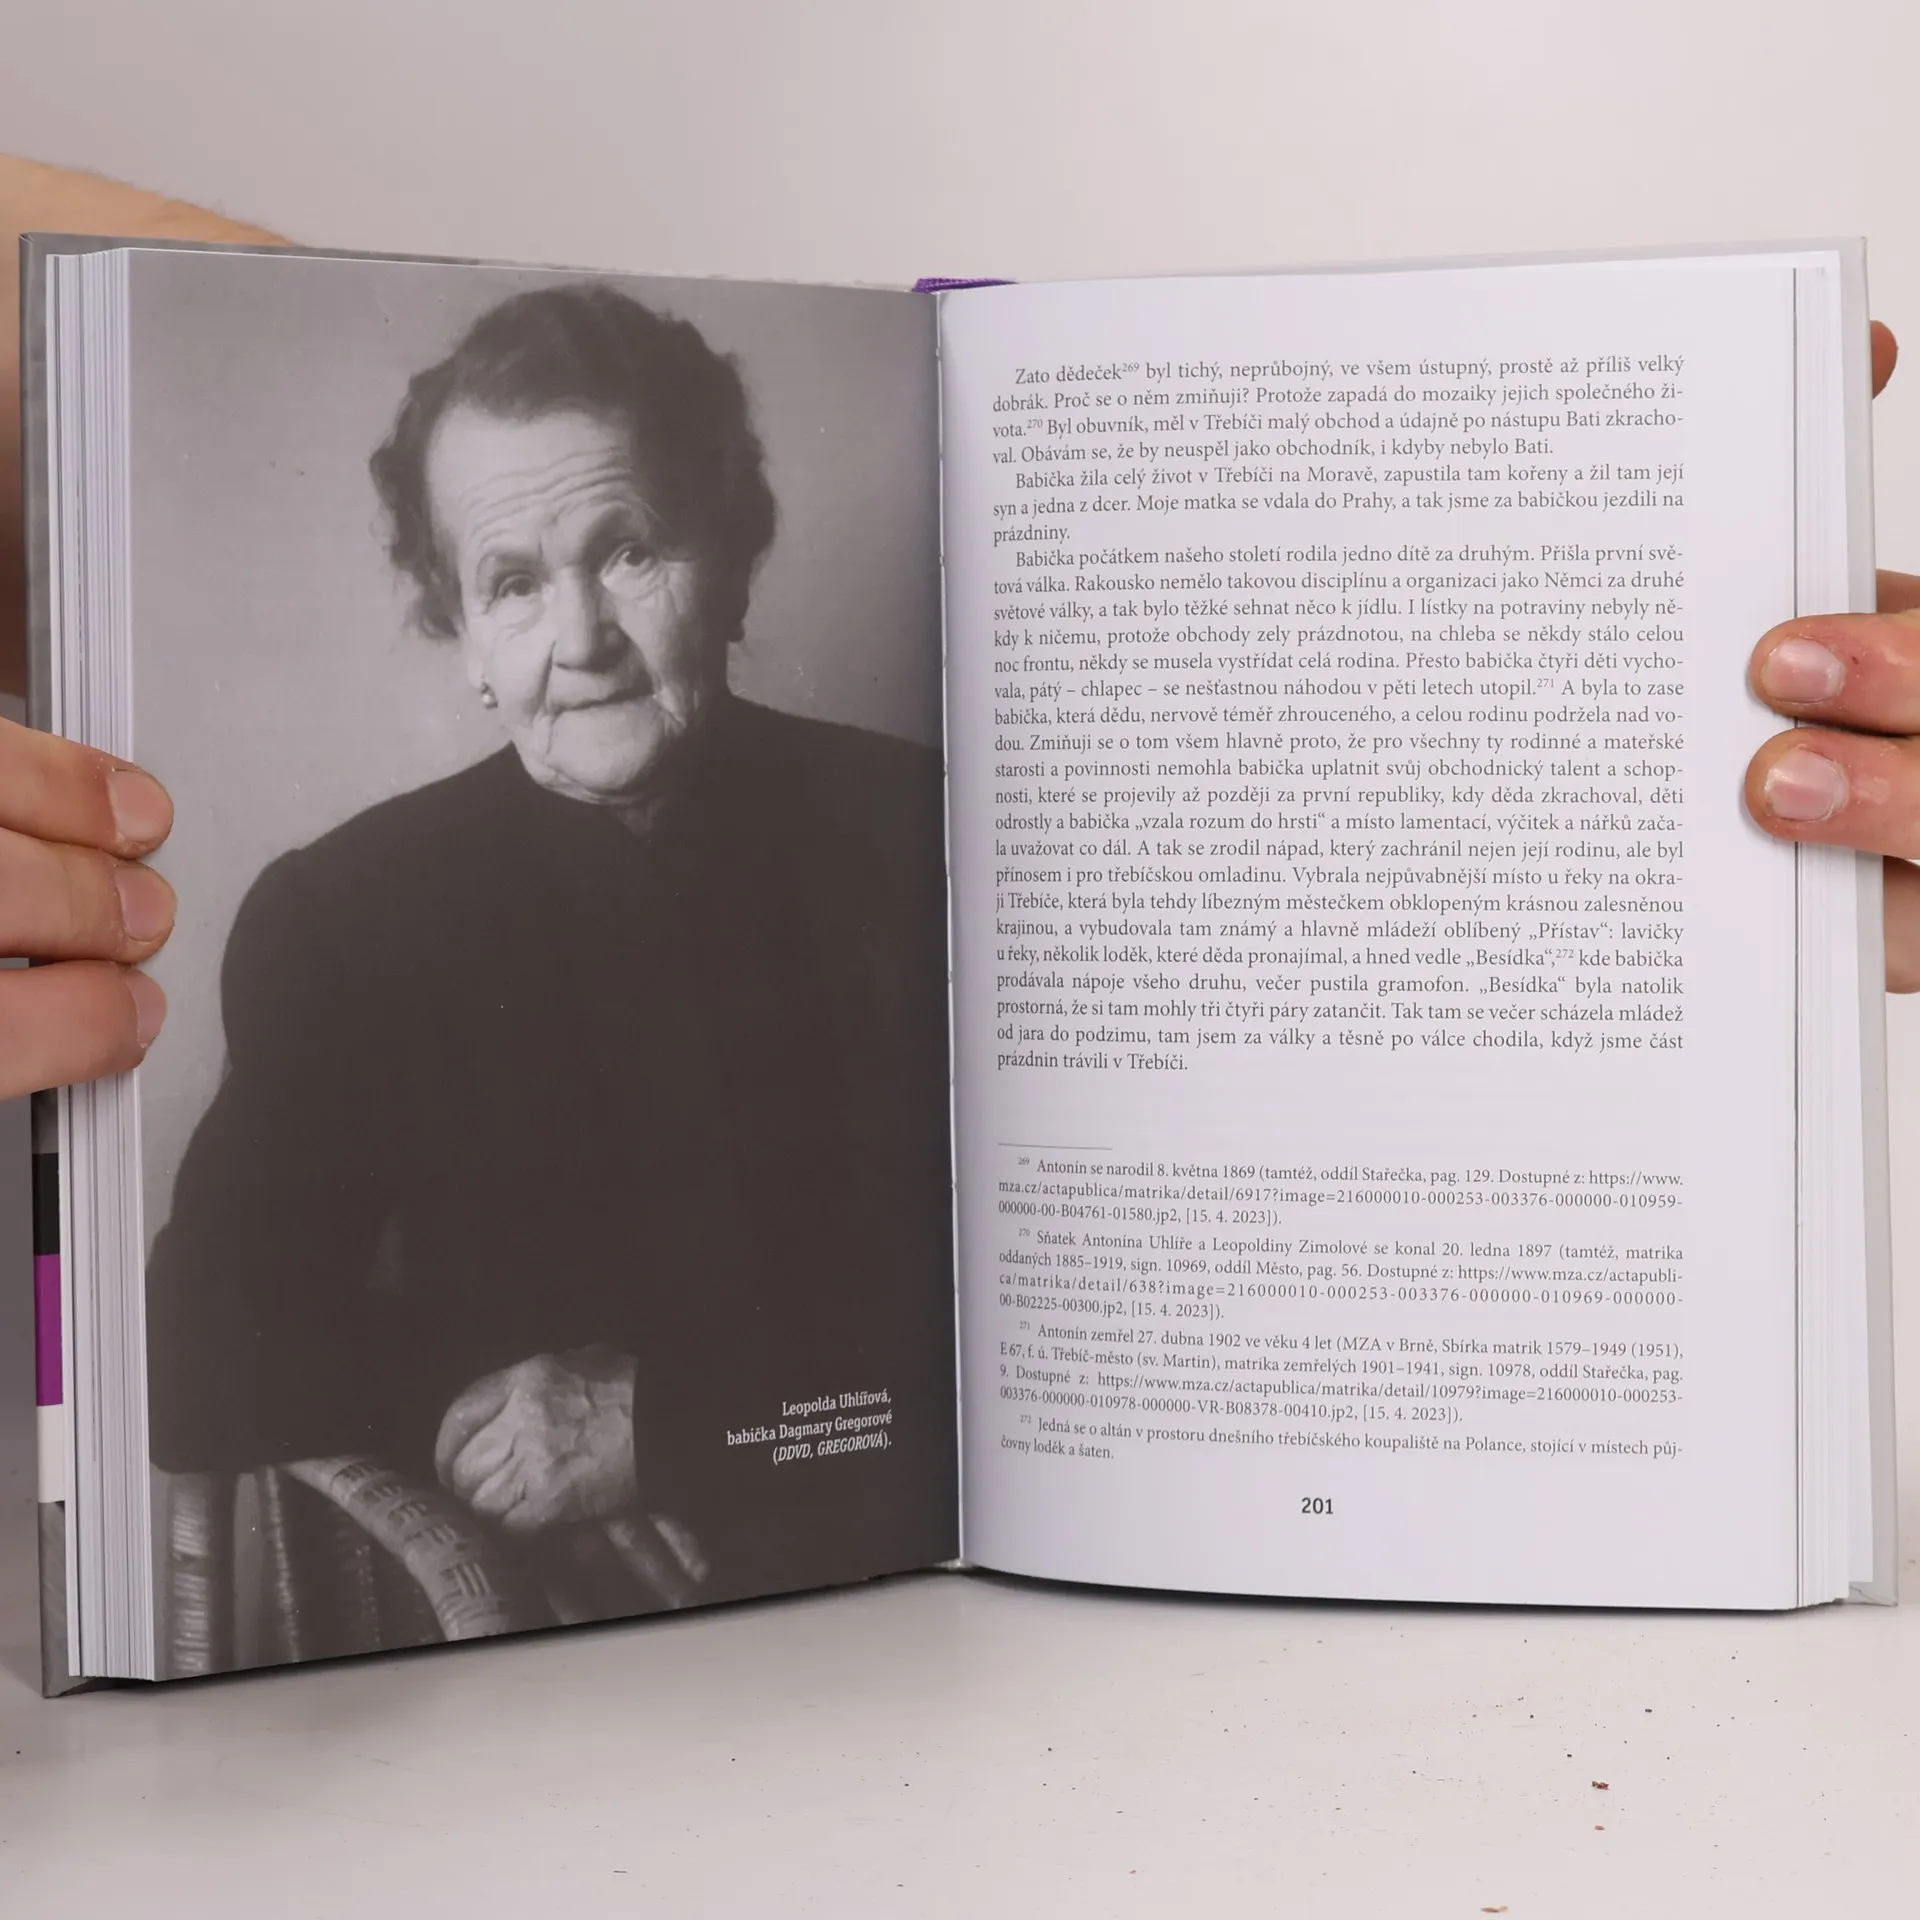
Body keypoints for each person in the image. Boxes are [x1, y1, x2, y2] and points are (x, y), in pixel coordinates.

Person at [129, 277, 956, 1613]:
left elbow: (1044, 1307)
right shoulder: (345, 918)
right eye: (513, 583)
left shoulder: (927, 831)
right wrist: (505, 1433)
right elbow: (195, 1351)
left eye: (629, 552)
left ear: (731, 558)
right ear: (462, 632)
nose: (582, 642)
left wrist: (668, 1427)